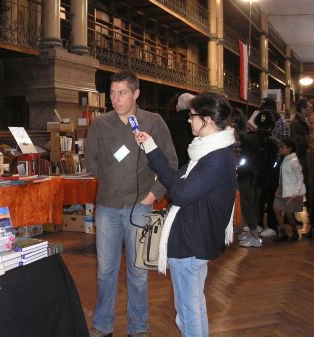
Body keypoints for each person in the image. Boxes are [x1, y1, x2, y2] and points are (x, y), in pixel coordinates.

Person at [134, 92, 243, 337]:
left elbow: (181, 192)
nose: (188, 120)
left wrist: (153, 152)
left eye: (192, 116)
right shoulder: (207, 152)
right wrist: (151, 148)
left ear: (207, 120)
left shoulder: (215, 158)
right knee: (192, 305)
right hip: (194, 237)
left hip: (191, 241)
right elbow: (179, 182)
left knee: (188, 308)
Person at [85, 70, 178, 337]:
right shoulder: (100, 124)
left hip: (141, 206)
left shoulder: (154, 121)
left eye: (122, 93)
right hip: (106, 207)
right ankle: (103, 325)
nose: (115, 99)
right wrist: (111, 179)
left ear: (136, 93)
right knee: (105, 271)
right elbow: (91, 160)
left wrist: (153, 195)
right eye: (112, 93)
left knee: (138, 273)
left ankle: (138, 328)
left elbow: (171, 163)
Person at [237, 109, 278, 247]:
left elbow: (244, 158)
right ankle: (252, 234)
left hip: (246, 177)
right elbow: (272, 164)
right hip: (261, 179)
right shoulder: (272, 142)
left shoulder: (250, 137)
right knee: (255, 205)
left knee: (247, 206)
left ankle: (254, 236)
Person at [256, 98, 290, 238]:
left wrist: (270, 138)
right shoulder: (265, 122)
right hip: (263, 163)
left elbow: (285, 144)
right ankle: (258, 223)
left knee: (271, 196)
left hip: (277, 163)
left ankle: (272, 226)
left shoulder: (282, 124)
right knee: (261, 195)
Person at [273, 136, 306, 241]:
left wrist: (295, 193)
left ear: (289, 148)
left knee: (288, 212)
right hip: (282, 189)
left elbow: (300, 177)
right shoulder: (286, 159)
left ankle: (294, 232)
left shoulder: (293, 161)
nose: (280, 149)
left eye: (282, 147)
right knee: (276, 208)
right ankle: (283, 231)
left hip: (290, 191)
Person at [166, 93, 195, 168]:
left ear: (177, 107)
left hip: (171, 164)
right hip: (190, 165)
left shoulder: (168, 122)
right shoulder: (196, 122)